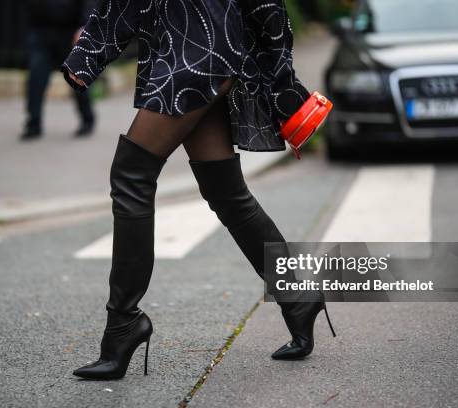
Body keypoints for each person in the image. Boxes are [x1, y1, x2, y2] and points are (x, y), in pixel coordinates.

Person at [61, 0, 336, 380]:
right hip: (205, 51)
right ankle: (297, 297)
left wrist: (89, 52)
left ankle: (123, 325)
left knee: (132, 176)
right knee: (226, 191)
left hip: (192, 57)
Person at [21, 0, 96, 140]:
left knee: (76, 75)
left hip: (70, 30)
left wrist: (84, 26)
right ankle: (33, 123)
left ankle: (87, 119)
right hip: (41, 30)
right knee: (36, 77)